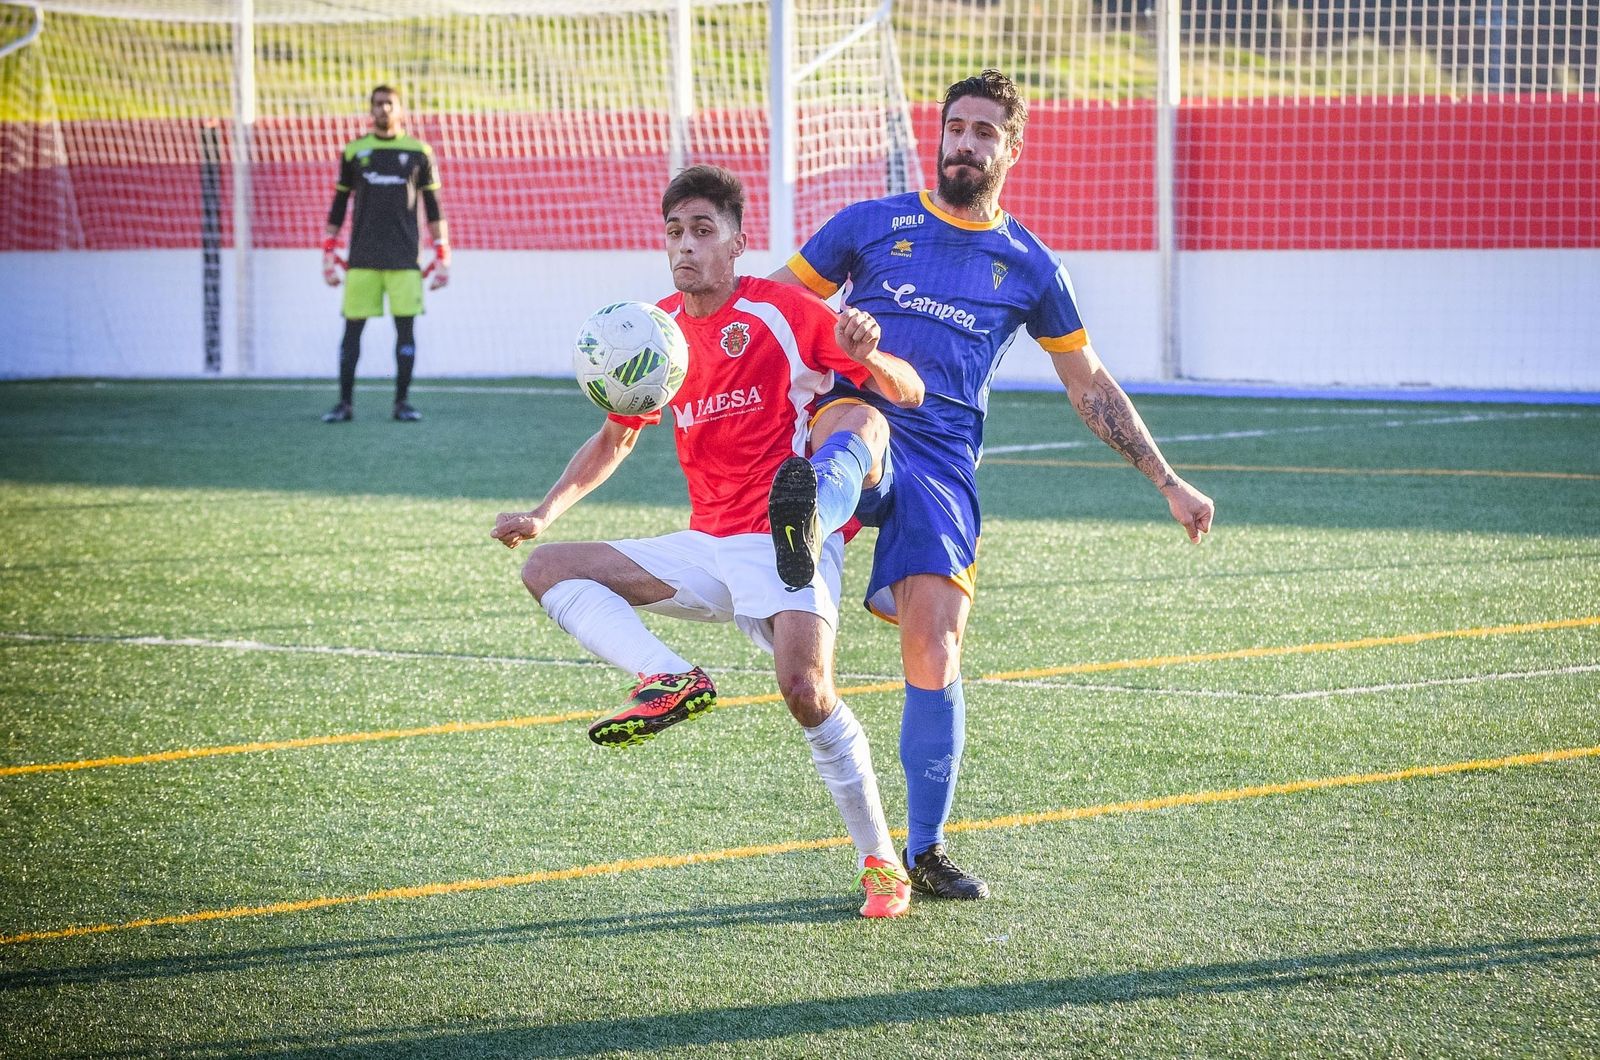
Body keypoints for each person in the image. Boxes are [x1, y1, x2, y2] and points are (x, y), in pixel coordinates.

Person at [767, 69, 1215, 901]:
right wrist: (836, 330)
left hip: (943, 463)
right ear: (938, 135)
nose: (964, 143)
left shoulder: (1031, 264)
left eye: (983, 132)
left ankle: (926, 849)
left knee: (936, 647)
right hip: (853, 412)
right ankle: (802, 523)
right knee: (858, 431)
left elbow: (1090, 384)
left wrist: (1166, 480)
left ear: (1011, 147)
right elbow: (772, 308)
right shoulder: (871, 223)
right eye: (955, 127)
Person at [490, 164, 926, 919]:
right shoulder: (655, 335)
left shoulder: (781, 311)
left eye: (702, 231)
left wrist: (868, 353)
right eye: (674, 233)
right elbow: (614, 441)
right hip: (706, 544)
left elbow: (905, 391)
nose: (685, 248)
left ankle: (881, 862)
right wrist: (545, 512)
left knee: (807, 693)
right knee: (548, 568)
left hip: (783, 533)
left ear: (736, 241)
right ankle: (670, 678)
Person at [320, 84, 449, 423]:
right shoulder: (355, 152)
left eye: (390, 104)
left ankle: (402, 404)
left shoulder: (419, 151)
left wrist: (443, 255)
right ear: (370, 109)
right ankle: (344, 404)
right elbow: (338, 205)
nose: (384, 109)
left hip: (406, 259)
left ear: (401, 109)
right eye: (378, 104)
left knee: (405, 330)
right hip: (361, 258)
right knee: (352, 332)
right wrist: (328, 253)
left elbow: (433, 207)